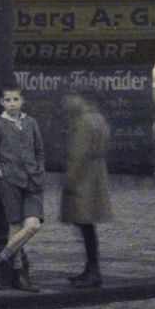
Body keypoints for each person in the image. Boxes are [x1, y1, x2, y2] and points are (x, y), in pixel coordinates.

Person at [0, 84, 46, 291]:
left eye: (15, 99)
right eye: (8, 100)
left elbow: (39, 151)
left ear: (22, 101)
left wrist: (39, 171)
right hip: (10, 182)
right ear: (2, 102)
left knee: (33, 225)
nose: (12, 104)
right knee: (16, 227)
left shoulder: (31, 123)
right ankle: (19, 275)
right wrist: (0, 172)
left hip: (33, 182)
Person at [60, 94, 112, 288]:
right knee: (86, 226)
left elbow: (78, 153)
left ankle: (93, 270)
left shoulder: (84, 122)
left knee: (85, 224)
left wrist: (70, 179)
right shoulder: (98, 119)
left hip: (84, 179)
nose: (68, 102)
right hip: (95, 175)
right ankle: (90, 268)